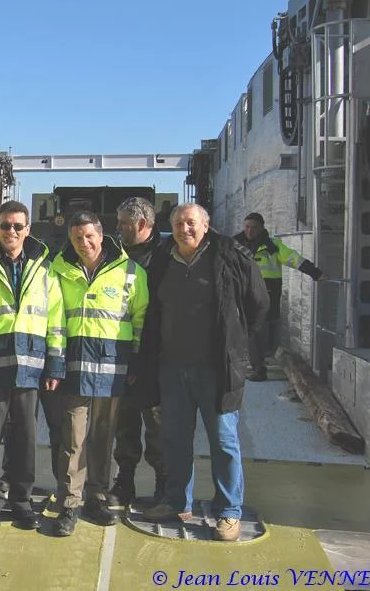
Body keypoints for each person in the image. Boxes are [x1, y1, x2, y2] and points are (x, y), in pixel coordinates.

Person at [141, 203, 268, 542]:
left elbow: (258, 303)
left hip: (217, 370)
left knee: (223, 441)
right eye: (178, 223)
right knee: (175, 439)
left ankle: (228, 511)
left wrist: (237, 344)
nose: (184, 229)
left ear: (206, 225)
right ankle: (176, 502)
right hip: (172, 368)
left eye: (191, 223)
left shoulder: (229, 255)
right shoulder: (162, 259)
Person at [0, 200, 65, 531]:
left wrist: (55, 365)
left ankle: (21, 502)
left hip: (30, 368)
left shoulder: (45, 268)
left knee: (25, 441)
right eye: (5, 225)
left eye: (18, 226)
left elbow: (55, 319)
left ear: (28, 230)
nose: (11, 232)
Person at [49, 211, 147, 537]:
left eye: (89, 236)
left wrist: (136, 360)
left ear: (101, 236)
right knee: (73, 439)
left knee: (103, 438)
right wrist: (55, 362)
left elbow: (140, 318)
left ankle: (97, 497)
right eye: (77, 238)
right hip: (74, 368)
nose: (84, 243)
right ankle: (70, 503)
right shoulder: (58, 270)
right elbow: (53, 319)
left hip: (112, 369)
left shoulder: (130, 272)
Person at [109, 197, 166, 506]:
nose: (118, 228)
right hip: (123, 352)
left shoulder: (165, 255)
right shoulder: (113, 254)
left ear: (142, 224)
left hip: (156, 355)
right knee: (125, 423)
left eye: (123, 224)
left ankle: (163, 484)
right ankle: (125, 481)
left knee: (158, 425)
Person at [234, 212, 322, 380]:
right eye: (247, 227)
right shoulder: (234, 245)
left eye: (254, 228)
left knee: (256, 332)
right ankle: (255, 366)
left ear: (262, 228)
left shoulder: (272, 246)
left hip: (266, 294)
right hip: (243, 293)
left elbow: (294, 259)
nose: (250, 231)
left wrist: (315, 273)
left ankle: (259, 369)